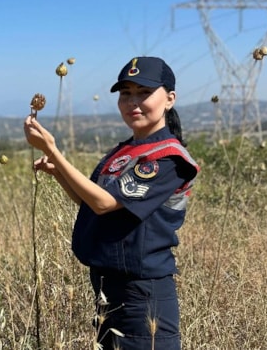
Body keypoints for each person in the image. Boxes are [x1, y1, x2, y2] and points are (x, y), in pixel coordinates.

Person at [23, 56, 199, 349]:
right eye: (126, 93)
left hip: (142, 292)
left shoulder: (168, 158)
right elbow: (90, 201)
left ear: (169, 99)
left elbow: (104, 203)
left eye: (144, 93)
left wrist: (53, 151)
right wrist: (58, 172)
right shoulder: (126, 151)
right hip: (110, 287)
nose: (133, 102)